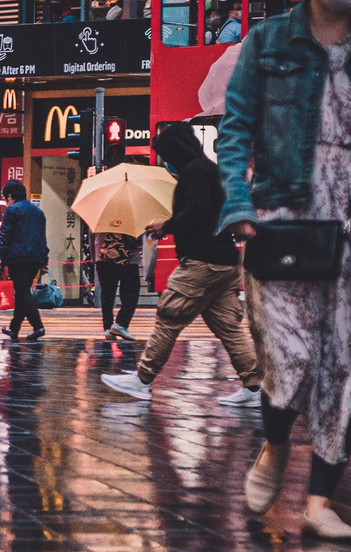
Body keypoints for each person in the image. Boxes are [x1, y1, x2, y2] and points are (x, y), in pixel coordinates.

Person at [216, 0, 351, 543]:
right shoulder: (268, 41)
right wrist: (238, 205)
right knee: (289, 356)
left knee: (343, 363)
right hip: (284, 214)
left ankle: (320, 501)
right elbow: (235, 130)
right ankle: (274, 445)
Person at [100, 121, 263, 406]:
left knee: (169, 315)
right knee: (229, 328)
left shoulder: (194, 172)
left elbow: (197, 213)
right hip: (224, 262)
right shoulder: (208, 169)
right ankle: (254, 386)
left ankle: (143, 379)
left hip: (202, 261)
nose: (167, 162)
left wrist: (167, 226)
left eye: (167, 154)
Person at [91, 151, 142, 339]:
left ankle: (108, 328)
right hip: (127, 254)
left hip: (102, 253)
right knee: (131, 291)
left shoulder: (99, 198)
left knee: (107, 294)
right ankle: (120, 323)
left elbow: (92, 230)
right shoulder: (133, 199)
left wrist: (94, 257)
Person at [0, 180, 48, 340]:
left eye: (6, 198)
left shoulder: (12, 210)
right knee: (22, 293)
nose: (6, 202)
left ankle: (38, 326)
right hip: (36, 258)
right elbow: (42, 237)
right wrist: (44, 259)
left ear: (10, 196)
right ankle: (14, 328)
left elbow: (5, 234)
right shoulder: (38, 212)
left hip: (18, 258)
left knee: (23, 293)